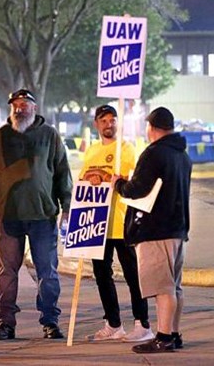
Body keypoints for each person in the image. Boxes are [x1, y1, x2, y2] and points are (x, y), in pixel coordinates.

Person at [0, 89, 72, 341]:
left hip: (43, 216)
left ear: (34, 107)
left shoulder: (49, 135)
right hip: (8, 216)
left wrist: (67, 207)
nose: (20, 108)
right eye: (15, 104)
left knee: (48, 272)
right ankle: (6, 323)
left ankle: (50, 321)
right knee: (6, 273)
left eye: (25, 104)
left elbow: (62, 173)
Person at [111, 106, 192, 353]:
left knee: (162, 287)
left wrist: (120, 185)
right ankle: (174, 333)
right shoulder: (182, 155)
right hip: (177, 228)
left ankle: (164, 337)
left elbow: (138, 189)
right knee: (174, 285)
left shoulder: (154, 154)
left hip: (156, 229)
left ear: (152, 128)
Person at [80, 105, 153, 343]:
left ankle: (142, 324)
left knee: (133, 275)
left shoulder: (126, 149)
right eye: (103, 120)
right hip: (97, 224)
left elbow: (124, 178)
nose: (109, 124)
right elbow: (83, 180)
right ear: (96, 124)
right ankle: (113, 324)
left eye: (113, 119)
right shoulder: (90, 151)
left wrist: (100, 178)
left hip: (122, 222)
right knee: (102, 275)